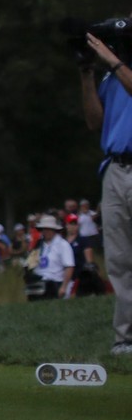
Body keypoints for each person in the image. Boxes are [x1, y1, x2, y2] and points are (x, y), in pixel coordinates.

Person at [80, 32, 132, 353]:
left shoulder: (119, 68)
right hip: (114, 168)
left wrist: (113, 61)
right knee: (120, 259)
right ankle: (126, 339)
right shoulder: (114, 75)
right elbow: (94, 120)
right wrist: (86, 74)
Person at [27, 214, 75, 302]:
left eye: (49, 229)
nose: (46, 232)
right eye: (44, 229)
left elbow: (69, 267)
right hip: (38, 282)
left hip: (54, 283)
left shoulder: (62, 245)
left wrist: (64, 287)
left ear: (54, 230)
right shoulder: (39, 245)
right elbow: (30, 264)